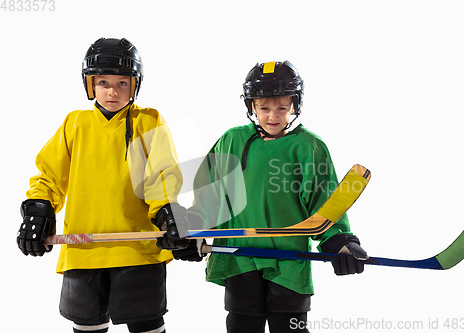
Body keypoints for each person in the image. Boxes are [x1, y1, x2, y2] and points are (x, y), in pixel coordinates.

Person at [16, 37, 193, 333]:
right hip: (83, 247)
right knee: (88, 325)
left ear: (134, 85)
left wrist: (167, 211)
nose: (112, 91)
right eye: (103, 83)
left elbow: (161, 173)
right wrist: (39, 207)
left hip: (138, 247)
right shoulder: (75, 123)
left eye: (122, 83)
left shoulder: (148, 121)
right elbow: (49, 174)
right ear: (90, 84)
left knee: (146, 323)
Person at [184, 61, 368, 333]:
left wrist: (339, 240)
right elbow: (211, 191)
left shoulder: (309, 146)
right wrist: (194, 229)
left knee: (290, 327)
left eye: (282, 108)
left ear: (295, 105)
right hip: (239, 255)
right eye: (264, 108)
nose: (273, 116)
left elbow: (323, 198)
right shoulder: (232, 140)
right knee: (242, 325)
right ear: (252, 107)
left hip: (289, 258)